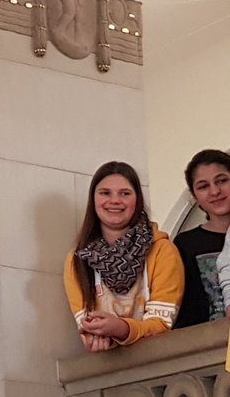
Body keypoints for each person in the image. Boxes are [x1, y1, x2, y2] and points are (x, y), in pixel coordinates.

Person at [64, 161, 184, 351]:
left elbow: (161, 323)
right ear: (92, 200)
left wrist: (121, 329)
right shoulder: (77, 261)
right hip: (109, 370)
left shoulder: (162, 251)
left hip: (158, 360)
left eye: (125, 193)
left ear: (137, 200)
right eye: (105, 193)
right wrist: (95, 333)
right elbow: (87, 329)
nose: (115, 201)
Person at [175, 149, 230, 328]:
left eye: (222, 181)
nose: (215, 191)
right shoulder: (185, 245)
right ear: (194, 196)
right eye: (203, 186)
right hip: (211, 348)